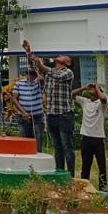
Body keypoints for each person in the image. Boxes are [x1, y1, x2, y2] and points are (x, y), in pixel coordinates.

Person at [24, 40, 75, 176]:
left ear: (67, 62)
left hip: (64, 115)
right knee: (57, 147)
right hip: (51, 115)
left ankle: (70, 176)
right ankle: (59, 174)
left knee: (67, 147)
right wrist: (28, 51)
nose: (60, 55)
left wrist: (41, 64)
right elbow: (36, 67)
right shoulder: (50, 73)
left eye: (64, 56)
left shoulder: (67, 73)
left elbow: (52, 73)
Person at [72, 82, 108, 191]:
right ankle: (84, 187)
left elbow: (103, 98)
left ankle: (102, 188)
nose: (91, 93)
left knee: (101, 166)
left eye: (94, 92)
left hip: (98, 139)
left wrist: (97, 87)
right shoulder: (85, 102)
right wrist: (84, 87)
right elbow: (71, 94)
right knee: (85, 166)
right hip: (86, 138)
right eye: (90, 92)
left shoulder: (101, 104)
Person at [11, 68, 45, 152]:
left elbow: (42, 79)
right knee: (24, 138)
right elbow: (14, 99)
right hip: (23, 116)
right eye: (29, 74)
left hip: (37, 115)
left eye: (33, 74)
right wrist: (23, 112)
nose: (30, 76)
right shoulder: (19, 83)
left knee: (38, 139)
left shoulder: (38, 83)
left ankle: (37, 156)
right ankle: (24, 156)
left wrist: (36, 70)